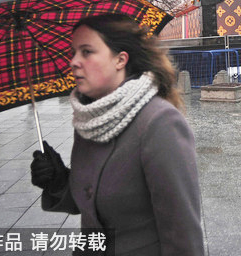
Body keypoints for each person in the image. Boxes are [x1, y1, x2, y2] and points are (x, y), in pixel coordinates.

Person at [30, 14, 204, 255]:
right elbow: (95, 203)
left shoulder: (159, 123)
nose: (74, 62)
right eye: (73, 52)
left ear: (120, 60)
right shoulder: (90, 120)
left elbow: (182, 234)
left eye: (87, 52)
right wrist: (58, 180)